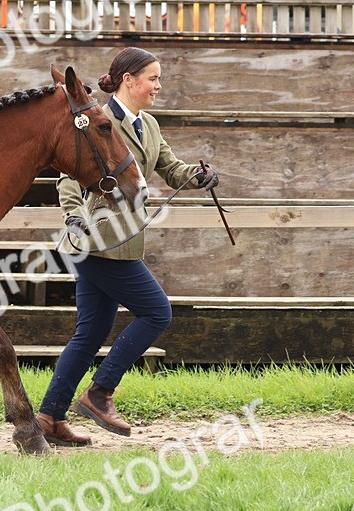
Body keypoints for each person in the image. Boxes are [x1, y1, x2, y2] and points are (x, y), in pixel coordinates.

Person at [35, 47, 219, 447]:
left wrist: (198, 176)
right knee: (157, 312)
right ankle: (100, 394)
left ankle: (48, 418)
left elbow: (170, 169)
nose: (158, 85)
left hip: (125, 243)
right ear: (128, 81)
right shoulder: (97, 119)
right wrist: (73, 216)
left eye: (159, 78)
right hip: (97, 242)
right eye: (152, 78)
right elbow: (70, 177)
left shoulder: (148, 125)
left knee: (91, 332)